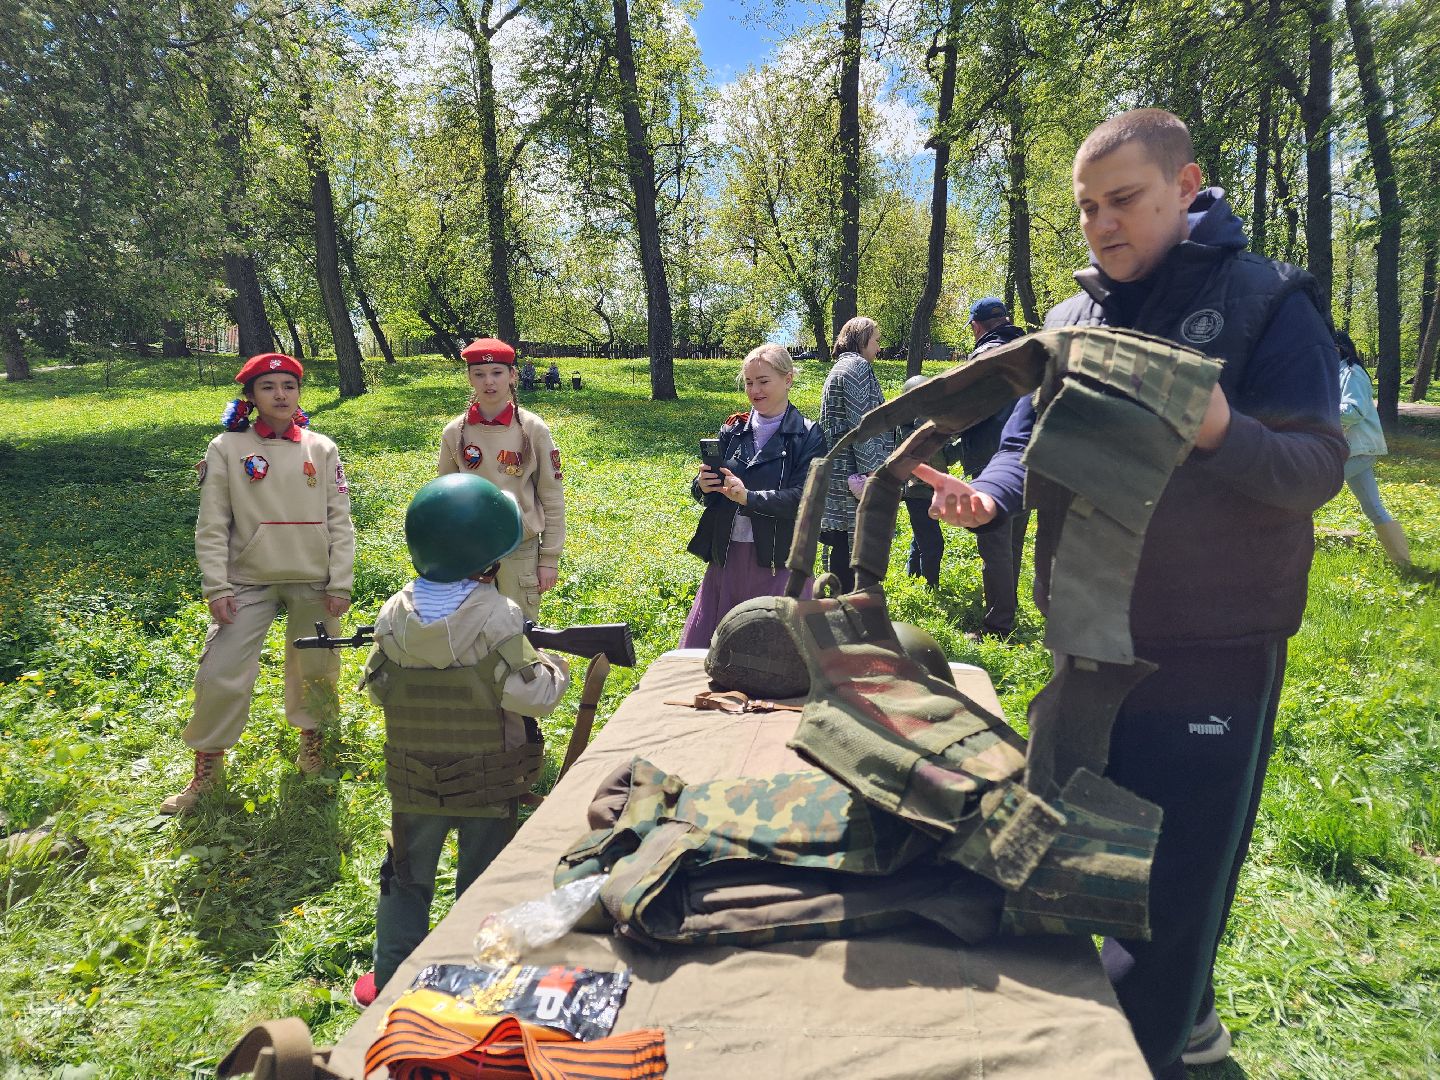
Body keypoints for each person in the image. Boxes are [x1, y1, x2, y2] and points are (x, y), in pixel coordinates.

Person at [926, 109, 1346, 1076]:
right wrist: (986, 497)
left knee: (1178, 879)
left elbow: (1315, 469)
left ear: (1187, 185)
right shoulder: (1074, 320)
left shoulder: (1267, 303)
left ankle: (1163, 1039)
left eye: (1125, 201)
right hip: (1087, 636)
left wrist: (1218, 430)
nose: (1103, 225)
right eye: (1086, 209)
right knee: (1075, 857)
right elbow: (1029, 441)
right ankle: (1134, 1023)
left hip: (1214, 656)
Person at [352, 473, 571, 1007]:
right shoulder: (499, 615)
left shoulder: (391, 613)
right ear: (489, 561)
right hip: (487, 784)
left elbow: (380, 689)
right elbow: (534, 696)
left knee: (404, 880)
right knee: (486, 887)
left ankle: (388, 981)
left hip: (414, 783)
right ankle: (479, 986)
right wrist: (555, 666)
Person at [165, 352, 355, 815]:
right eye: (268, 387)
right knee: (220, 672)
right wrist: (217, 586)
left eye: (289, 385)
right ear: (250, 396)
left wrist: (341, 582)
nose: (280, 394)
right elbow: (212, 524)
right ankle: (207, 768)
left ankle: (313, 744)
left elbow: (340, 520)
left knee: (316, 669)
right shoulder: (227, 449)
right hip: (246, 581)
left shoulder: (321, 448)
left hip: (313, 579)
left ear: (299, 392)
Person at [680, 344, 825, 647]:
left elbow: (804, 499)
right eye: (749, 382)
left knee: (776, 653)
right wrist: (702, 485)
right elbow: (708, 488)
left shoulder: (809, 434)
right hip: (728, 557)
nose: (755, 390)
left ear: (788, 380)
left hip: (779, 562)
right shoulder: (732, 430)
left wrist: (750, 498)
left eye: (763, 381)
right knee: (714, 651)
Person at [439, 338, 564, 622]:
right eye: (479, 374)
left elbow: (552, 497)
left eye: (497, 373)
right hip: (471, 551)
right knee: (472, 633)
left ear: (512, 375)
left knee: (519, 633)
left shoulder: (533, 429)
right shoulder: (455, 432)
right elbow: (444, 499)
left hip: (520, 549)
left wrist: (549, 559)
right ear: (469, 378)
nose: (489, 382)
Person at [959, 298, 1030, 639]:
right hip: (1029, 458)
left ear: (977, 325)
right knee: (1013, 540)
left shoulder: (983, 357)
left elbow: (968, 410)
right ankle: (1007, 608)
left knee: (994, 542)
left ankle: (998, 625)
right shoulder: (1028, 352)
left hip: (993, 462)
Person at [818, 317, 893, 593]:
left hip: (839, 468)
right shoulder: (857, 366)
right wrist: (872, 472)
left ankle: (841, 602)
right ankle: (851, 604)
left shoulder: (841, 366)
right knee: (853, 541)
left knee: (842, 539)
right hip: (852, 470)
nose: (878, 346)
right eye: (875, 340)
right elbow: (862, 423)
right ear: (861, 340)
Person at [1336, 330, 1410, 564]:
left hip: (1358, 450)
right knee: (1373, 506)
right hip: (1356, 450)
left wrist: (1322, 410)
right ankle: (1403, 562)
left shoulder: (1351, 372)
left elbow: (1354, 411)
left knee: (1311, 490)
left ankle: (1287, 550)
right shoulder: (1338, 372)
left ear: (1338, 348)